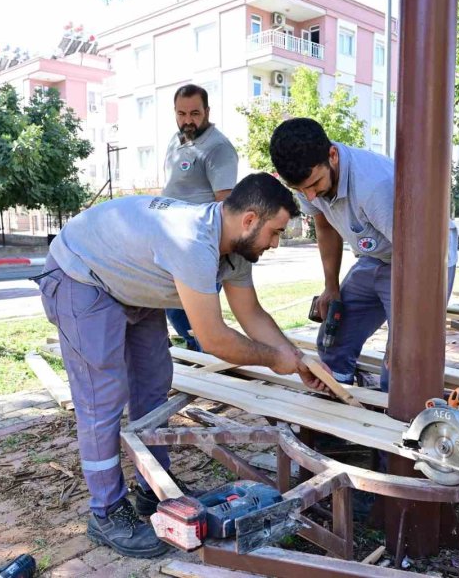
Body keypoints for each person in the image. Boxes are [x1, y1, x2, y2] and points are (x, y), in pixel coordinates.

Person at [36, 173, 327, 558]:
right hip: (81, 276)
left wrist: (298, 358)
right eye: (275, 232)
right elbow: (214, 338)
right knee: (101, 397)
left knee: (154, 383)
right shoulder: (192, 241)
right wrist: (275, 359)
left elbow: (252, 314)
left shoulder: (236, 249)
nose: (275, 244)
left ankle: (151, 488)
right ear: (250, 220)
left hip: (131, 282)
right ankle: (106, 512)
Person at [269, 117, 457, 392]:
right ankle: (337, 411)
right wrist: (330, 287)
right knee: (332, 341)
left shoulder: (376, 187)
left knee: (403, 363)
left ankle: (396, 429)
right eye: (301, 190)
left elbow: (417, 261)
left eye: (314, 184)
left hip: (425, 259)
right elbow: (324, 224)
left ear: (332, 155)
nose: (310, 196)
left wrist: (401, 340)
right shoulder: (306, 181)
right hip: (379, 255)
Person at [162, 84, 239, 352]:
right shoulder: (177, 140)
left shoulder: (218, 148)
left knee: (195, 315)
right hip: (173, 245)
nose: (188, 120)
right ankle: (204, 354)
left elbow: (226, 204)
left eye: (195, 113)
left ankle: (213, 363)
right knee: (175, 310)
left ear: (207, 111)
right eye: (181, 113)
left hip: (200, 247)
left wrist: (218, 251)